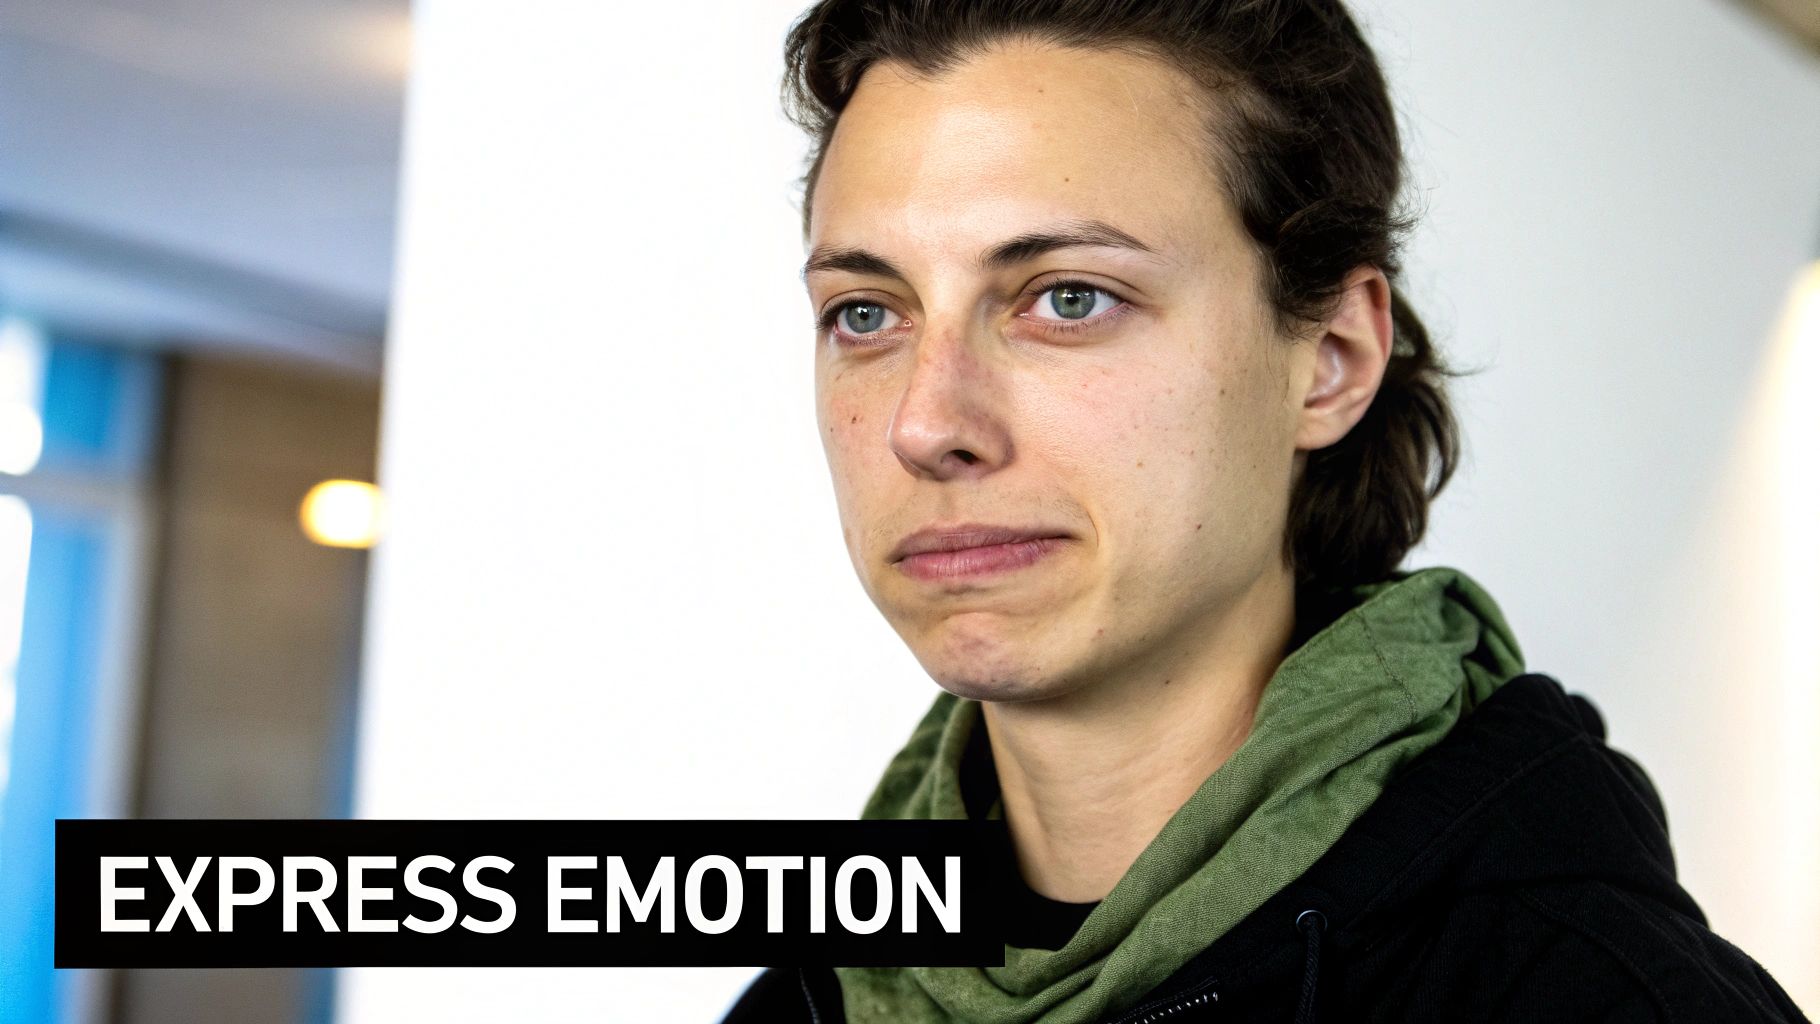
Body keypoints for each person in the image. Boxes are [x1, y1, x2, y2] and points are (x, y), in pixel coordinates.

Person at [725, 1, 1808, 1021]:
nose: (925, 424)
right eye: (864, 314)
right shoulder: (808, 998)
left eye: (1068, 297)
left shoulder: (1601, 995)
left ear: (1330, 359)